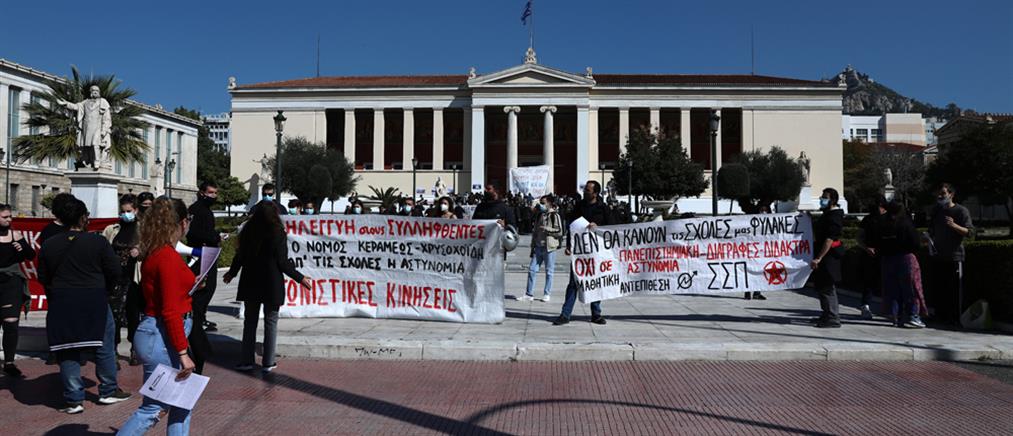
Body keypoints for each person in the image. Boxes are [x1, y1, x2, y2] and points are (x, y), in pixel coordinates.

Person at [38, 197, 130, 414]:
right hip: (94, 298)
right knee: (103, 345)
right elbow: (115, 271)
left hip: (62, 300)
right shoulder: (97, 242)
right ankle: (108, 390)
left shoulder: (49, 245)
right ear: (82, 218)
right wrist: (104, 288)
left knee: (67, 348)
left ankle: (73, 399)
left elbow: (43, 276)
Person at [118, 198, 198, 435]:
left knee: (183, 401)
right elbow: (171, 311)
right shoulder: (168, 257)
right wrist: (183, 354)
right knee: (155, 407)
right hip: (162, 337)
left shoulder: (157, 253)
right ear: (183, 223)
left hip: (159, 334)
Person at [224, 201, 312, 372]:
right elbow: (282, 262)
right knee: (271, 322)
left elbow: (239, 256)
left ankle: (246, 360)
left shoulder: (248, 231)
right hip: (271, 282)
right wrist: (300, 278)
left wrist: (232, 273)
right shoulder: (277, 232)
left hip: (250, 281)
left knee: (250, 322)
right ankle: (268, 361)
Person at [554, 181, 611, 326]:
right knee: (573, 283)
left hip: (596, 253)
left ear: (595, 193)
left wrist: (599, 227)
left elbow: (612, 227)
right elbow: (571, 227)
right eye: (585, 189)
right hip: (579, 253)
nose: (585, 191)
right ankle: (565, 314)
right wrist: (568, 245)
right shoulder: (578, 207)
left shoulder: (603, 208)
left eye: (587, 190)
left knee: (595, 283)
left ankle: (596, 314)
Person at [101, 195, 142, 364]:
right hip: (115, 278)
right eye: (123, 211)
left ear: (136, 210)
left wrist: (140, 249)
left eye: (129, 211)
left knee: (133, 315)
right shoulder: (112, 229)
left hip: (134, 278)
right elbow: (102, 248)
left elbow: (150, 246)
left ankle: (134, 348)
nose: (126, 214)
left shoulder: (142, 229)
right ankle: (114, 350)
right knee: (114, 315)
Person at [186, 182, 222, 375]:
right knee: (201, 296)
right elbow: (195, 233)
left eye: (215, 193)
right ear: (202, 193)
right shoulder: (199, 211)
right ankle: (198, 344)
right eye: (210, 192)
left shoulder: (201, 210)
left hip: (206, 255)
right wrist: (214, 236)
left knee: (205, 295)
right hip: (202, 258)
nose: (213, 196)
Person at [926, 183, 973, 325]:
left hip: (954, 257)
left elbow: (970, 232)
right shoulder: (936, 211)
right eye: (938, 194)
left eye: (943, 193)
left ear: (951, 194)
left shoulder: (961, 211)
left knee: (954, 290)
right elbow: (932, 231)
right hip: (938, 256)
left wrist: (954, 226)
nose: (940, 196)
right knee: (939, 288)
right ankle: (940, 315)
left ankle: (954, 318)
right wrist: (927, 237)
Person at [875, 201, 925, 328]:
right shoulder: (905, 223)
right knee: (910, 288)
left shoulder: (883, 224)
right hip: (905, 257)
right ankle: (913, 315)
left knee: (892, 289)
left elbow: (877, 242)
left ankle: (896, 315)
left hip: (887, 259)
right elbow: (915, 243)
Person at [0, 205, 35, 378]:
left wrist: (21, 249)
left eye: (10, 217)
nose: (9, 220)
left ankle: (9, 362)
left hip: (11, 282)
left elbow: (30, 255)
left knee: (11, 323)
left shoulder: (16, 235)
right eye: (5, 217)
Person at [809, 188, 845, 328]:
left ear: (833, 200)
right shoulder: (827, 214)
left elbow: (829, 240)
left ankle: (833, 317)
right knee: (821, 286)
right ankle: (826, 313)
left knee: (828, 286)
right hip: (823, 256)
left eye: (825, 197)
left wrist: (819, 258)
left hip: (828, 257)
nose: (821, 199)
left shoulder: (835, 216)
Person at [522, 195, 562, 302]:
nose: (541, 205)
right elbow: (535, 232)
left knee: (549, 271)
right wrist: (532, 247)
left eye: (543, 203)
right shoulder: (539, 215)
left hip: (549, 247)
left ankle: (547, 293)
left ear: (550, 203)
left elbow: (559, 231)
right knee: (532, 270)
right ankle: (529, 293)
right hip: (538, 247)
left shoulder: (555, 216)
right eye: (541, 203)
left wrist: (547, 229)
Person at [855, 195, 888, 320]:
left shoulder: (890, 218)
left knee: (886, 281)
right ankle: (865, 305)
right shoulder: (868, 219)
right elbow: (859, 237)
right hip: (869, 254)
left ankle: (888, 307)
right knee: (869, 282)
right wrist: (866, 248)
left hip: (885, 254)